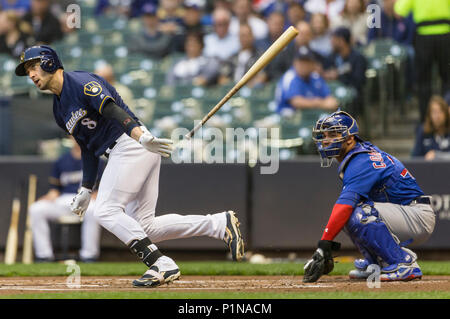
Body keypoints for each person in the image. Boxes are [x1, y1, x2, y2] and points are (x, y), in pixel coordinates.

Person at [15, 45, 245, 287]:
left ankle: (161, 264)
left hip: (131, 143)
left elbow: (111, 108)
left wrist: (140, 135)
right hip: (125, 149)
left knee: (104, 210)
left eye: (33, 66)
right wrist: (85, 188)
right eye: (28, 70)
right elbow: (87, 147)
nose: (31, 74)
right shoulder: (58, 109)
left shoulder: (80, 82)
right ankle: (219, 224)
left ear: (50, 62)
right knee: (146, 227)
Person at [303, 111, 435, 283]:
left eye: (333, 134)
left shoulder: (361, 161)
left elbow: (344, 207)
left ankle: (403, 263)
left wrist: (324, 245)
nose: (326, 139)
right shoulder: (359, 154)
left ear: (349, 138)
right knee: (351, 214)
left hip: (417, 214)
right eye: (324, 135)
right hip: (404, 212)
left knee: (357, 213)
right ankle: (378, 263)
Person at [28, 137, 101, 262]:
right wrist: (49, 197)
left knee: (94, 211)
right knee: (36, 209)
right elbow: (55, 190)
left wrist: (98, 196)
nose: (78, 138)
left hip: (87, 201)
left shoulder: (96, 159)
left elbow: (102, 188)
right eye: (74, 135)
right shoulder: (62, 160)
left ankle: (89, 255)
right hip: (65, 200)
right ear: (70, 138)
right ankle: (44, 255)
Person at [394, 0, 450, 122]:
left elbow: (398, 11)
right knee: (447, 79)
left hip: (423, 37)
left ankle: (426, 121)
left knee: (424, 82)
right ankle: (446, 118)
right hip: (445, 35)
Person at [275, 46, 338, 115]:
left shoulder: (315, 77)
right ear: (295, 63)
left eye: (307, 62)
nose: (303, 66)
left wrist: (326, 102)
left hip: (309, 118)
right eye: (301, 62)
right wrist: (320, 103)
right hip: (287, 118)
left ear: (313, 64)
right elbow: (296, 102)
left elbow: (330, 100)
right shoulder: (290, 77)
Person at [323, 27, 367, 116]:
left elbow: (359, 81)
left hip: (352, 95)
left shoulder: (358, 58)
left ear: (341, 41)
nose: (331, 42)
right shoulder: (332, 57)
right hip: (332, 92)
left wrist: (338, 76)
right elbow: (325, 73)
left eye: (334, 39)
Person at [411, 96, 450, 160]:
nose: (437, 116)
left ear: (445, 113)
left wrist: (437, 155)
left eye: (440, 112)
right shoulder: (423, 131)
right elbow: (415, 158)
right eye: (434, 112)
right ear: (429, 115)